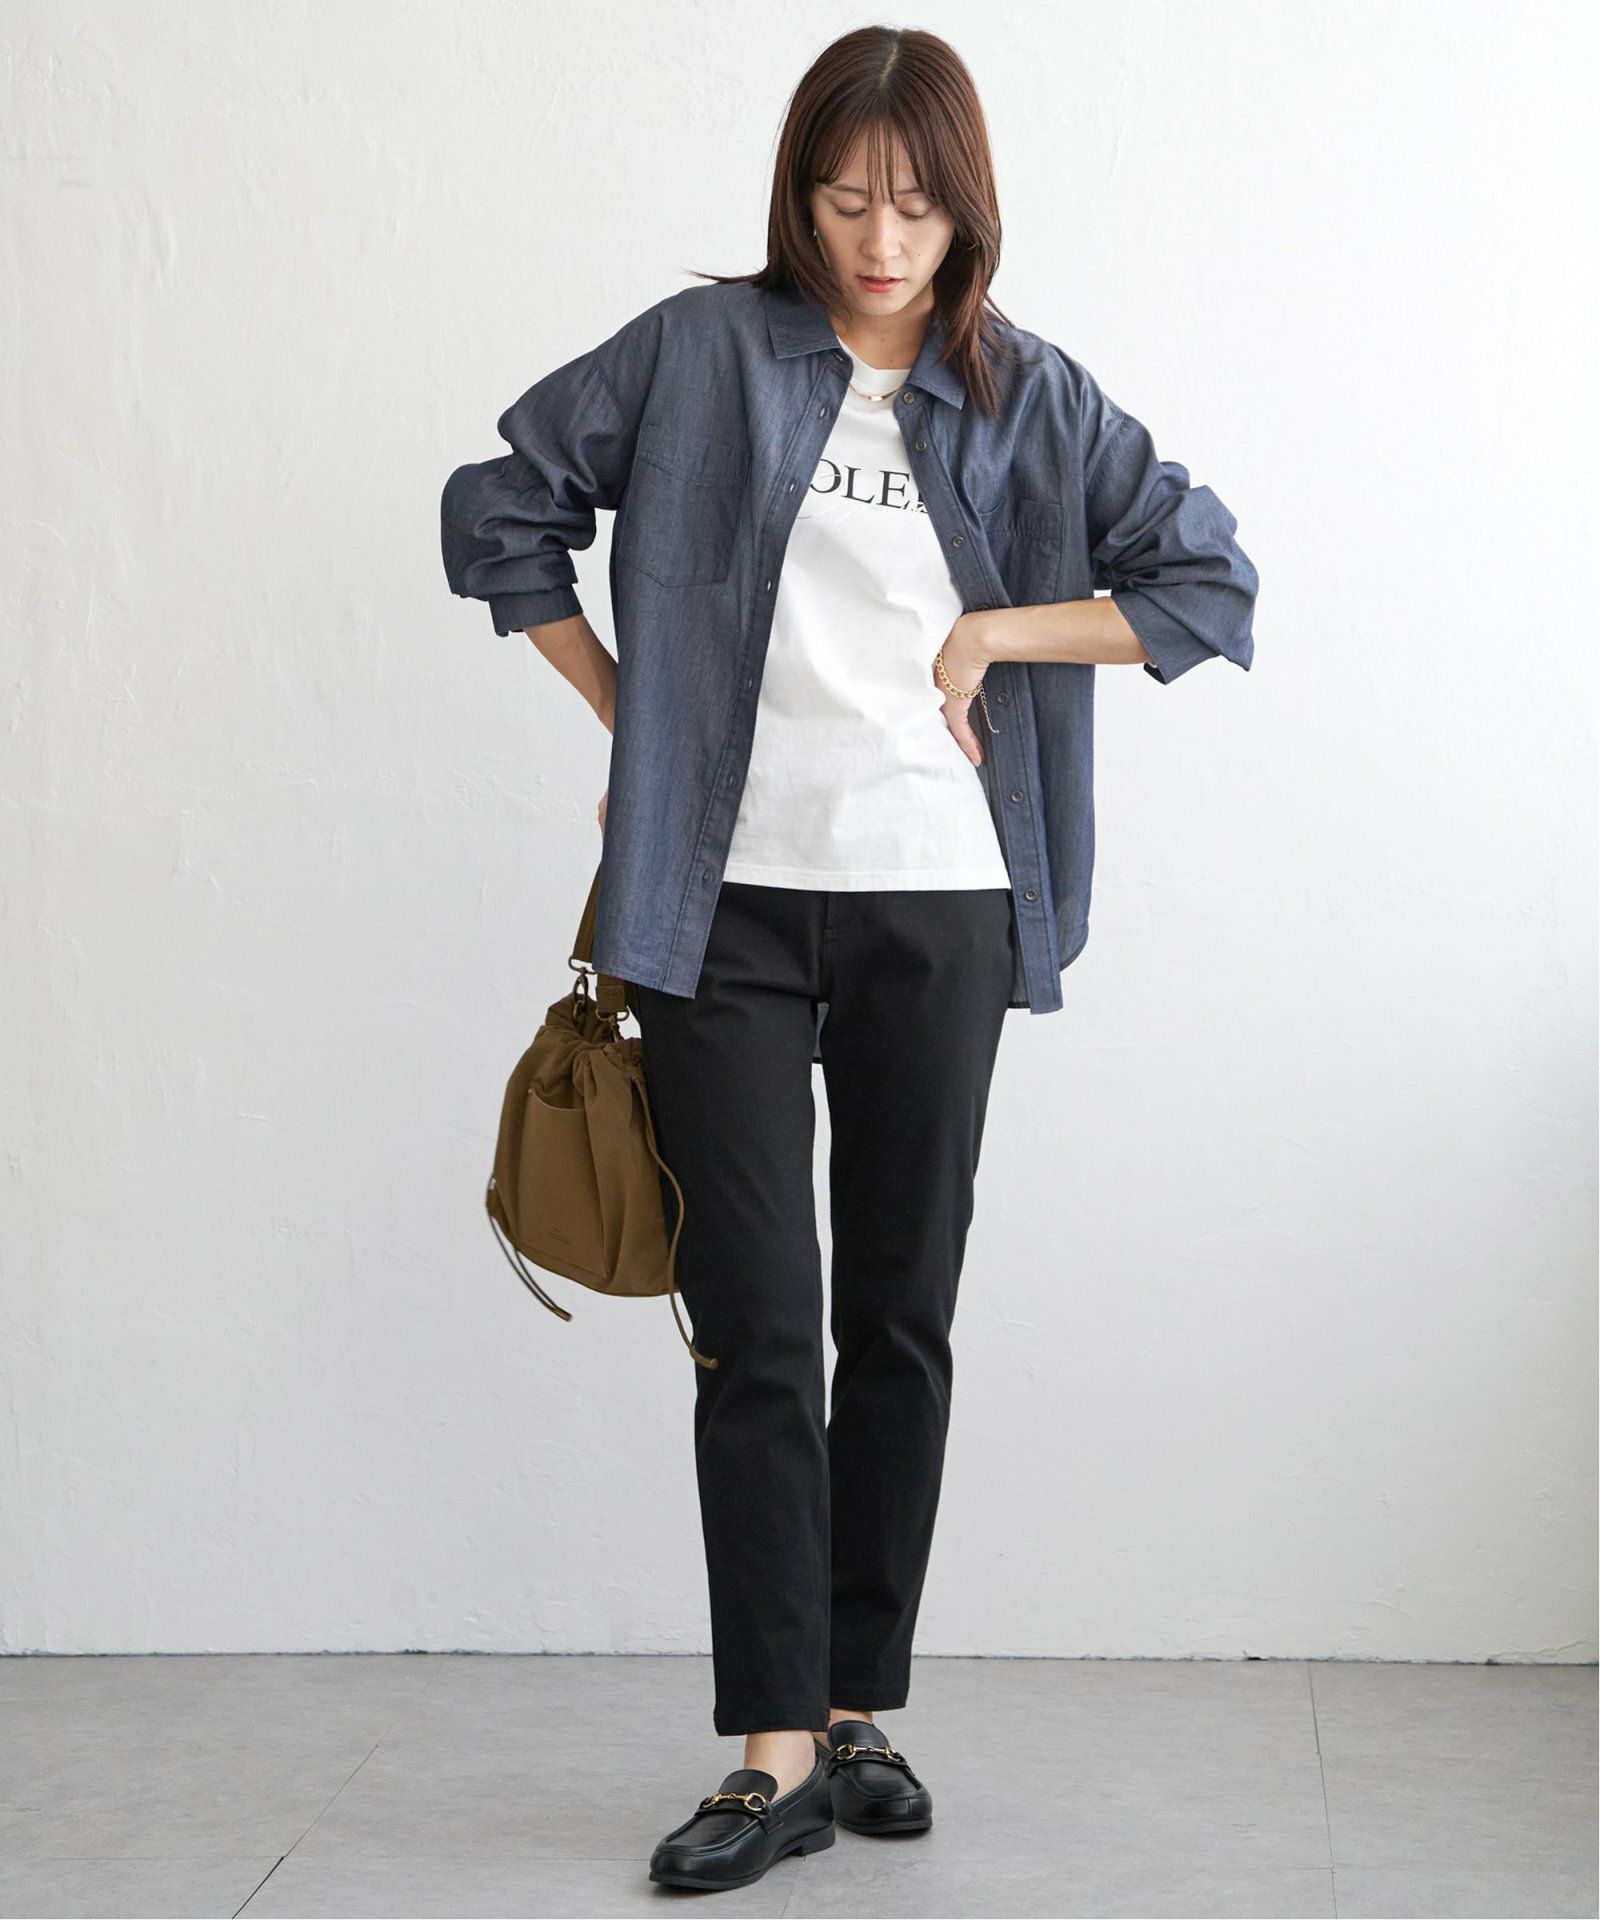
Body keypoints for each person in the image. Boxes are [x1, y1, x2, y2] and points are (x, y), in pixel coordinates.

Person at [440, 24, 1258, 1894]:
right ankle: (774, 1756)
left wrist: (993, 636)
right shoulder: (699, 352)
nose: (880, 241)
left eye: (915, 206)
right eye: (843, 199)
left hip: (939, 903)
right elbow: (500, 507)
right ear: (796, 197)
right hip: (718, 909)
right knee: (755, 1328)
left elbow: (1205, 585)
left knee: (899, 1317)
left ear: (968, 209)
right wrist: (634, 712)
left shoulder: (1030, 395)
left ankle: (857, 1703)